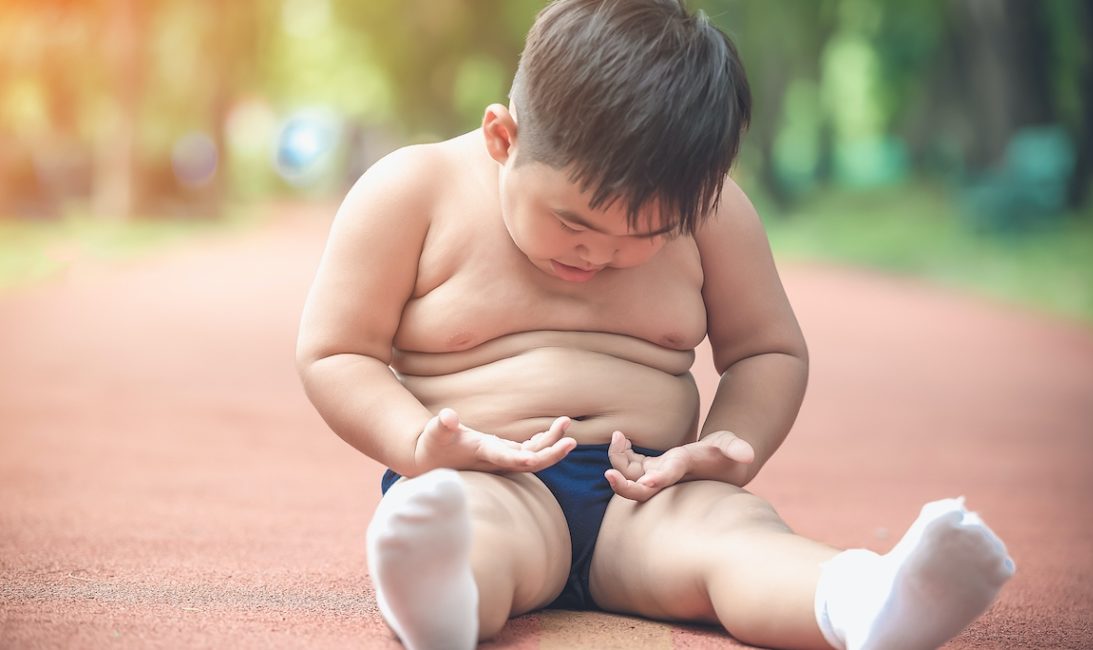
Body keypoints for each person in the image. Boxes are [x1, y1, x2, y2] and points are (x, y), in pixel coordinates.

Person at [295, 1, 1015, 648]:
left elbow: (767, 350)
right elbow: (335, 351)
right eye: (573, 221)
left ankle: (864, 601)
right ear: (502, 138)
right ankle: (438, 603)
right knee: (468, 533)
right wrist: (420, 444)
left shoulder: (714, 213)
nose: (603, 254)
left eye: (649, 235)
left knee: (734, 534)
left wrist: (732, 448)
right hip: (487, 476)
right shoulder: (413, 192)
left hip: (645, 492)